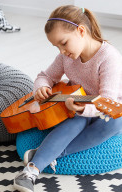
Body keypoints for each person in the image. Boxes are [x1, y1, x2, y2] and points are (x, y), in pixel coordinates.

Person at [13, 5, 122, 192]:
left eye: (63, 43)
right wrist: (42, 88)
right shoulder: (66, 58)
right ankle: (30, 171)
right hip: (76, 110)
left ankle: (42, 154)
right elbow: (44, 76)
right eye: (56, 46)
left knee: (114, 124)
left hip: (105, 110)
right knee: (76, 123)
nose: (61, 51)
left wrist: (84, 109)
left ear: (81, 30)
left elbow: (107, 100)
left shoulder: (109, 58)